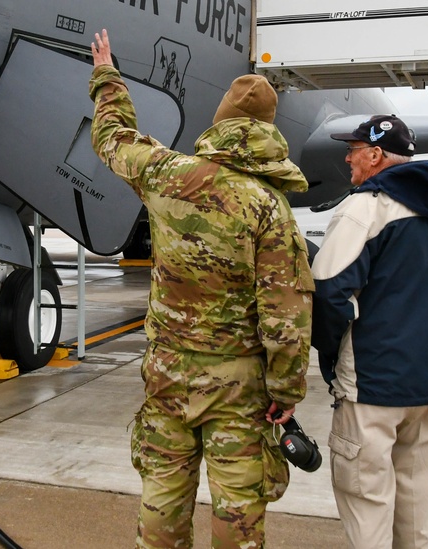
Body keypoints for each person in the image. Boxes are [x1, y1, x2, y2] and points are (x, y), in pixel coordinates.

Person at [88, 29, 314, 549]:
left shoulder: (167, 174)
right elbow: (286, 315)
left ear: (221, 122)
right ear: (266, 131)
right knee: (238, 513)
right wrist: (286, 393)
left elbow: (113, 139)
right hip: (239, 387)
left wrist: (107, 77)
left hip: (167, 374)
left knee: (162, 498)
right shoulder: (269, 207)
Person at [311, 115, 428, 549]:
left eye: (352, 149)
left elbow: (330, 293)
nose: (347, 157)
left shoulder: (363, 208)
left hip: (372, 388)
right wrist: (421, 329)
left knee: (368, 507)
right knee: (417, 514)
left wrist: (333, 357)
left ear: (374, 156)